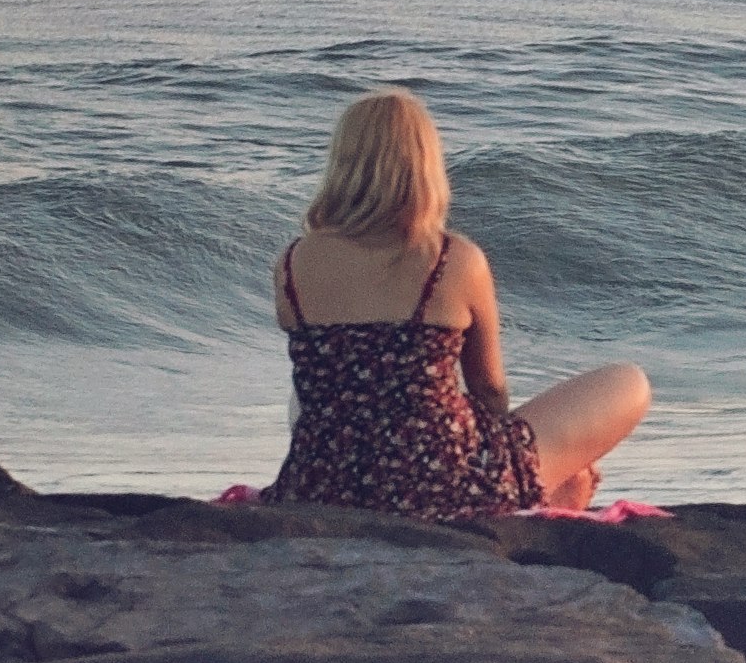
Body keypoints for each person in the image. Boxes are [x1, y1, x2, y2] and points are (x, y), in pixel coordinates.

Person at [258, 88, 649, 516]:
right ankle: (536, 491)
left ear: (342, 164)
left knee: (315, 387)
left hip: (322, 481)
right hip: (441, 480)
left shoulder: (293, 262)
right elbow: (489, 389)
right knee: (629, 382)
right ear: (426, 165)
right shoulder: (454, 259)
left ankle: (527, 486)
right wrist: (502, 460)